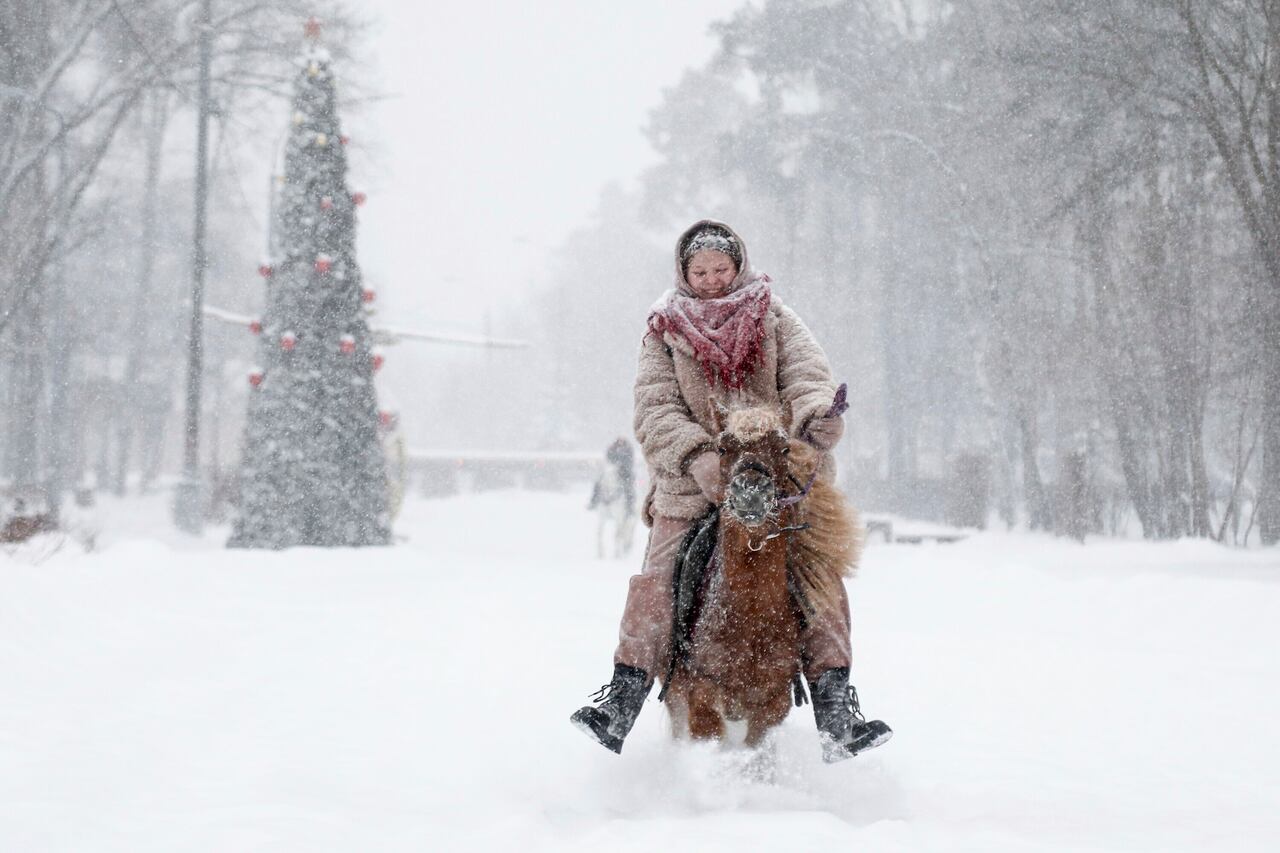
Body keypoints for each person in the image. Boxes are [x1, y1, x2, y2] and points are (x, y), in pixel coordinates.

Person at [570, 220, 891, 760]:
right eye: (701, 271)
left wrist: (817, 419)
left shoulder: (775, 316)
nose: (714, 280)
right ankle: (623, 693)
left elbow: (808, 377)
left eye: (722, 269)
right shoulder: (663, 333)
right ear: (684, 273)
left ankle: (836, 706)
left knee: (821, 576)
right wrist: (697, 458)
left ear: (738, 265)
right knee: (658, 576)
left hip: (778, 475)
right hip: (694, 483)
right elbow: (655, 408)